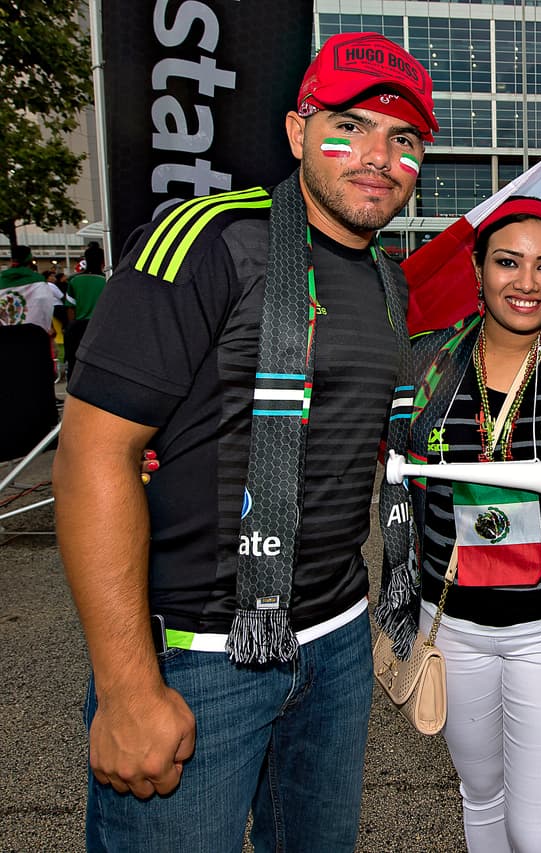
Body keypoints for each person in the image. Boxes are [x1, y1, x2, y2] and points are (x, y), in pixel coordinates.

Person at [53, 32, 437, 851]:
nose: (377, 154)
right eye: (352, 125)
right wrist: (127, 688)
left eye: (402, 139)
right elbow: (93, 452)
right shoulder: (209, 238)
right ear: (297, 132)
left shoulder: (388, 280)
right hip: (199, 658)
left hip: (333, 643)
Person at [385, 195, 541, 852]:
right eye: (508, 262)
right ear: (476, 268)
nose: (528, 283)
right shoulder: (423, 364)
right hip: (450, 625)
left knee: (536, 829)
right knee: (482, 795)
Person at [63, 242, 107, 378]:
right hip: (100, 328)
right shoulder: (107, 281)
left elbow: (70, 308)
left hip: (78, 329)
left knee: (76, 364)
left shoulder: (75, 281)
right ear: (103, 261)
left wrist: (71, 327)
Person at [0, 245, 59, 334]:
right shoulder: (38, 280)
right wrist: (50, 326)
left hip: (7, 334)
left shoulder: (2, 280)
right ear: (30, 261)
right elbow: (44, 305)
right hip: (34, 333)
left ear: (12, 260)